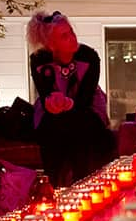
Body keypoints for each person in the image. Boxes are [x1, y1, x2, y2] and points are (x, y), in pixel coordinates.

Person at [27, 10, 115, 187]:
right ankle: (55, 185)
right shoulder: (39, 60)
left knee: (83, 128)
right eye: (64, 36)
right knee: (52, 129)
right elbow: (44, 93)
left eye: (71, 32)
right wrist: (53, 102)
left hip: (84, 107)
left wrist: (69, 103)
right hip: (54, 112)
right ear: (52, 44)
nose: (72, 38)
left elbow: (85, 97)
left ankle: (84, 181)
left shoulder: (88, 56)